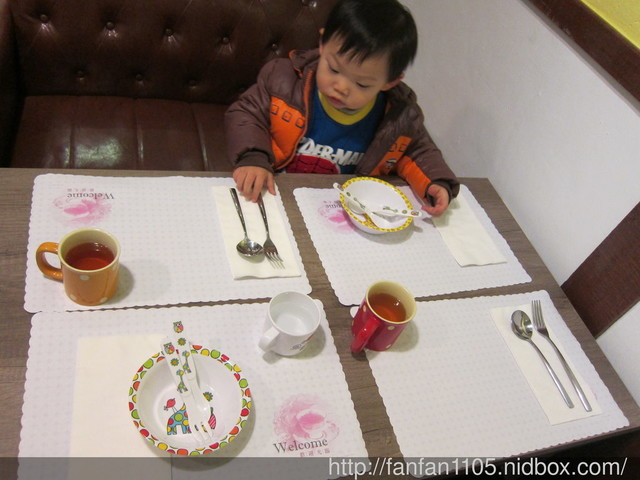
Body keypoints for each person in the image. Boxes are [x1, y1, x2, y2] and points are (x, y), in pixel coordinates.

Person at [225, 0, 459, 216]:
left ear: (390, 82)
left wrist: (436, 182)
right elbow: (245, 113)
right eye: (334, 69)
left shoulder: (400, 117)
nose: (341, 87)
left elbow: (417, 151)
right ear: (322, 44)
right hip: (277, 190)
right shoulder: (283, 80)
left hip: (343, 208)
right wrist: (253, 158)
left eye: (362, 84)